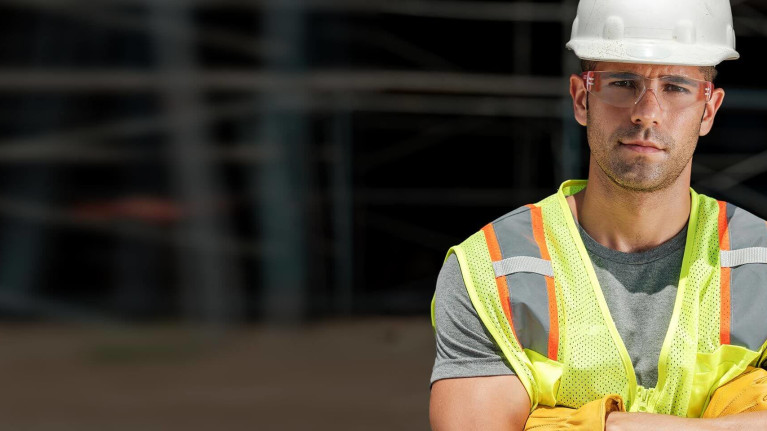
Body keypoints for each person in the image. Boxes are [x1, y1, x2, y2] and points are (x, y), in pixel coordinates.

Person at [429, 0, 767, 429]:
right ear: (581, 98)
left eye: (677, 87)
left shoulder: (761, 262)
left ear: (709, 110)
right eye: (623, 82)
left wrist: (607, 425)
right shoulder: (492, 273)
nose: (647, 111)